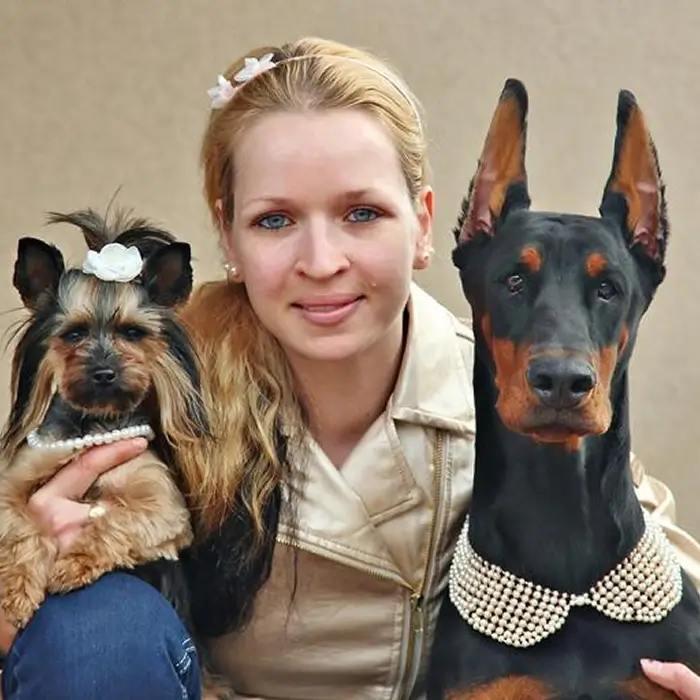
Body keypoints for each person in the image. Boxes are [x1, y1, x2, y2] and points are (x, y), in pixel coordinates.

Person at [1, 36, 700, 700]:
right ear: (228, 238)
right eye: (275, 220)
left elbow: (652, 564)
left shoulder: (516, 391)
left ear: (423, 225)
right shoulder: (157, 395)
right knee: (92, 627)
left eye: (361, 213)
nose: (322, 261)